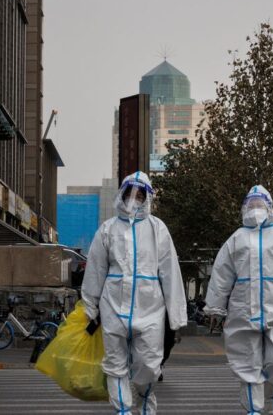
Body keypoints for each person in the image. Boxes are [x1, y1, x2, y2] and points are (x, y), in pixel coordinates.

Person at [82, 171, 187, 414]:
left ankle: (145, 403)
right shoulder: (108, 229)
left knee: (149, 364)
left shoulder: (157, 229)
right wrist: (90, 304)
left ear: (147, 198)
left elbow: (170, 272)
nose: (134, 198)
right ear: (122, 193)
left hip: (150, 306)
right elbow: (96, 269)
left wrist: (176, 315)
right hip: (113, 306)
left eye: (140, 194)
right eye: (130, 193)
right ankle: (123, 410)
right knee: (115, 365)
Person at [204, 185, 273, 415]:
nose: (256, 209)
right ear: (244, 208)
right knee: (248, 367)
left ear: (269, 208)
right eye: (251, 205)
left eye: (260, 204)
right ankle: (253, 410)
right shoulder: (236, 239)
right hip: (243, 316)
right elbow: (221, 274)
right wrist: (215, 307)